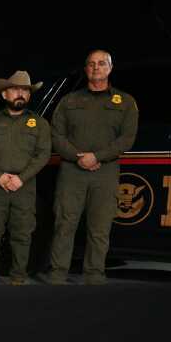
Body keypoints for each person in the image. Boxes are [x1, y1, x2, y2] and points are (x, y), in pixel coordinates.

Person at [45, 50, 138, 285]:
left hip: (105, 172)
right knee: (65, 224)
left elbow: (127, 139)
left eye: (102, 63)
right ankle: (57, 276)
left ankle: (94, 277)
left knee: (99, 227)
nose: (96, 67)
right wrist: (78, 157)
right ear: (86, 69)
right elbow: (56, 134)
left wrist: (97, 157)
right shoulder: (69, 101)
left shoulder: (125, 102)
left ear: (110, 67)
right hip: (71, 171)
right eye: (91, 64)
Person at [0, 71, 51, 286]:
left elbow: (42, 155)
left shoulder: (40, 124)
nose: (21, 94)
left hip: (24, 187)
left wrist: (21, 178)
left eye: (25, 90)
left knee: (23, 233)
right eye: (16, 89)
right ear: (5, 94)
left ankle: (18, 276)